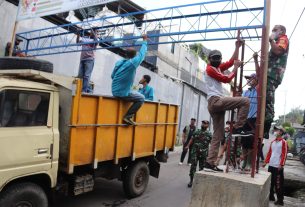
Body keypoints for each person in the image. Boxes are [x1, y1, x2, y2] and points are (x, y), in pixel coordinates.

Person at [203, 40, 251, 172]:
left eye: (219, 58)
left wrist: (237, 47)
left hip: (214, 104)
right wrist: (235, 69)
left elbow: (230, 62)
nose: (218, 60)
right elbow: (226, 79)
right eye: (215, 58)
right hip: (216, 101)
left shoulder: (216, 67)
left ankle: (210, 163)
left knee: (217, 135)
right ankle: (238, 127)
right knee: (245, 101)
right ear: (209, 59)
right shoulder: (210, 69)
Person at [111, 34, 148, 125]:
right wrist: (145, 40)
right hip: (122, 93)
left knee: (133, 92)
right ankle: (127, 117)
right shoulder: (133, 63)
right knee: (141, 98)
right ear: (134, 56)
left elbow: (112, 76)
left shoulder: (120, 62)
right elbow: (142, 54)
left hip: (114, 90)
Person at [264, 25, 289, 139]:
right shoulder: (277, 40)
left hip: (273, 75)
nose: (273, 32)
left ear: (282, 31)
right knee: (264, 100)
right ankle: (264, 125)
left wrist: (270, 40)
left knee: (268, 101)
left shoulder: (283, 39)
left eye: (275, 30)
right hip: (269, 74)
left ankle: (265, 127)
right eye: (273, 30)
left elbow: (278, 51)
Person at [263, 126, 288, 206]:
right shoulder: (273, 142)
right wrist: (265, 162)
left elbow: (284, 154)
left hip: (278, 166)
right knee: (271, 182)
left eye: (277, 130)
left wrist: (282, 164)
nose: (275, 131)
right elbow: (270, 153)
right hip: (271, 165)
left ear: (281, 132)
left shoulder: (283, 142)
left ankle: (280, 200)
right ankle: (271, 196)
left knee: (278, 184)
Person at [186, 120, 212, 187]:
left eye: (205, 124)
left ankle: (200, 182)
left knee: (202, 168)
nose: (203, 125)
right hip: (195, 152)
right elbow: (192, 139)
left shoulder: (209, 134)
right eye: (203, 123)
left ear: (208, 126)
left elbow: (211, 143)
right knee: (193, 167)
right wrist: (187, 146)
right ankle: (191, 180)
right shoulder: (197, 132)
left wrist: (212, 153)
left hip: (204, 153)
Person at [76, 28, 99, 93]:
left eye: (96, 32)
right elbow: (77, 42)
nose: (95, 33)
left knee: (86, 75)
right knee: (80, 75)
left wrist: (94, 32)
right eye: (95, 32)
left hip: (90, 59)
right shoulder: (85, 38)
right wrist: (78, 34)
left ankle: (84, 90)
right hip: (82, 59)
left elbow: (97, 42)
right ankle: (85, 88)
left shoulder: (96, 40)